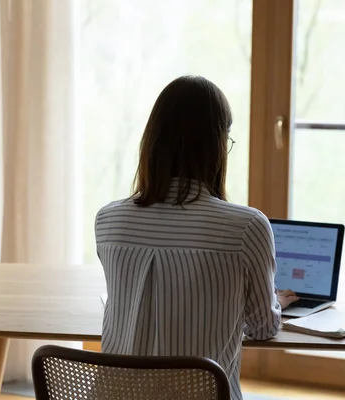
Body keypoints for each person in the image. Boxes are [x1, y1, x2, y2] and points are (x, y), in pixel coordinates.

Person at [94, 75, 298, 400]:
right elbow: (262, 328)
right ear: (216, 145)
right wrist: (274, 303)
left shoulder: (108, 220)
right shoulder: (247, 226)